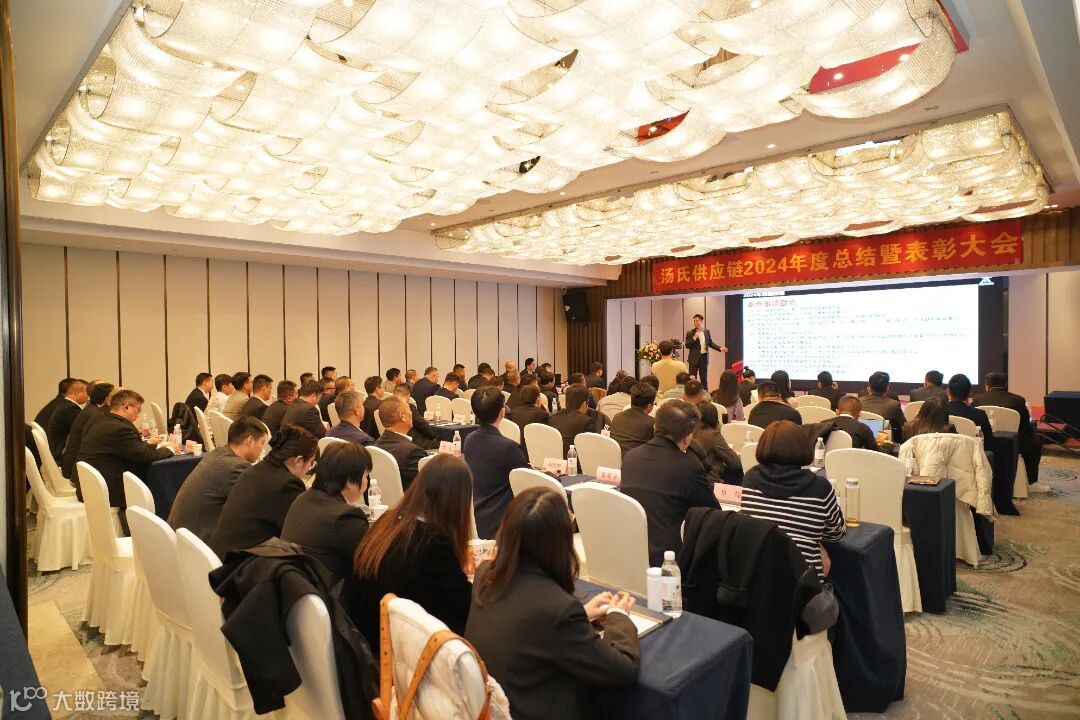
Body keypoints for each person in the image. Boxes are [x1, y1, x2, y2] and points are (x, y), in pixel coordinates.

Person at [466, 488, 640, 720]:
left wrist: (583, 614)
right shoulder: (557, 609)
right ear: (559, 541)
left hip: (491, 708)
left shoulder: (485, 575)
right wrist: (619, 616)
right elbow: (622, 670)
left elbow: (526, 627)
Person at [344, 454, 473, 658]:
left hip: (366, 639)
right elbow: (464, 606)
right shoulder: (433, 544)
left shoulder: (388, 522)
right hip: (398, 653)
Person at [740, 421, 846, 580]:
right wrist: (815, 542)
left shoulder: (750, 479)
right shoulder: (819, 487)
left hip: (757, 578)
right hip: (804, 584)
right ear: (803, 448)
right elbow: (835, 534)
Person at [621, 401, 717, 565]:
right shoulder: (689, 467)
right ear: (688, 438)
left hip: (632, 551)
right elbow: (713, 514)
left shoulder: (631, 457)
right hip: (670, 560)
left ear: (655, 427)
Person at [209, 424, 317, 558]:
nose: (310, 467)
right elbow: (301, 534)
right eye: (311, 463)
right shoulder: (287, 485)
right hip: (241, 563)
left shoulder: (255, 470)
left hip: (221, 554)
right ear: (299, 460)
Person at [76, 389, 176, 524]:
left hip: (93, 486)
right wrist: (170, 449)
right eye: (138, 410)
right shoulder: (120, 428)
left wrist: (156, 446)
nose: (138, 415)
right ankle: (159, 524)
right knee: (161, 486)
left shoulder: (105, 420)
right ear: (126, 407)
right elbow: (145, 456)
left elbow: (131, 449)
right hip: (110, 489)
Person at [281, 442, 371, 583]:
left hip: (295, 586)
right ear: (349, 481)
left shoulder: (303, 498)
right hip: (327, 592)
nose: (367, 481)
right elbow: (376, 558)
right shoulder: (345, 518)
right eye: (366, 475)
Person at [168, 417, 268, 543]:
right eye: (262, 443)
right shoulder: (237, 467)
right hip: (198, 544)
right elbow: (257, 508)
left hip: (179, 535)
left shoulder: (218, 453)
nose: (262, 449)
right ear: (250, 441)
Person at [463, 386, 530, 539]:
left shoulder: (469, 440)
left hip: (477, 516)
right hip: (502, 523)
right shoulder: (508, 447)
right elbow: (528, 483)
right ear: (502, 412)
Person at [974, 371, 1046, 491]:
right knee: (1035, 442)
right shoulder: (1018, 400)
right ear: (1005, 385)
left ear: (987, 386)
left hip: (986, 442)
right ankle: (1031, 481)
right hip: (1015, 445)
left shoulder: (977, 399)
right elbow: (1025, 423)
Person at [61, 382, 114, 480]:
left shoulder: (92, 409)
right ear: (107, 399)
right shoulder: (97, 414)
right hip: (77, 469)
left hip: (75, 463)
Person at [373, 397, 428, 490]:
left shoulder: (376, 445)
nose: (411, 413)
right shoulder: (413, 452)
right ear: (402, 416)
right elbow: (425, 487)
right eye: (409, 409)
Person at [690, 402, 740, 483]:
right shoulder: (712, 435)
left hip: (694, 476)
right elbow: (736, 463)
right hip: (711, 479)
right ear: (714, 417)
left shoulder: (688, 430)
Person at [945, 374, 993, 449]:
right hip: (972, 455)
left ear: (948, 391)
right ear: (969, 393)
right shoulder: (980, 415)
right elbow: (989, 443)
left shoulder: (938, 412)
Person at [547, 384, 595, 458]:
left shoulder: (552, 418)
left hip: (554, 461)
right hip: (576, 463)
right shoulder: (586, 421)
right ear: (585, 403)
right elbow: (591, 450)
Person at [609, 382, 656, 457]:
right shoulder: (652, 423)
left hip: (613, 460)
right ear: (650, 406)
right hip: (635, 462)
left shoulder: (617, 417)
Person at [46, 378, 88, 460]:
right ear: (78, 393)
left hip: (57, 450)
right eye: (87, 393)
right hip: (62, 456)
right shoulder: (70, 408)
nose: (89, 396)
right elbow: (84, 429)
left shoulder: (64, 404)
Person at [684, 313, 727, 390]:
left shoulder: (707, 331)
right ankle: (692, 394)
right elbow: (687, 345)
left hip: (704, 358)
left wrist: (720, 348)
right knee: (692, 379)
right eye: (694, 321)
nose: (695, 323)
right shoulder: (690, 332)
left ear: (701, 321)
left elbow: (710, 343)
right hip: (693, 359)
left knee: (704, 379)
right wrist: (694, 338)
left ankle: (705, 395)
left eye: (697, 321)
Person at [860, 371, 906, 442]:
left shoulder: (858, 402)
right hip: (882, 442)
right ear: (887, 388)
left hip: (860, 439)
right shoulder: (893, 405)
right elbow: (902, 425)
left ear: (869, 388)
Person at [392, 384, 437, 450]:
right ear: (408, 396)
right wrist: (432, 436)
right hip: (413, 442)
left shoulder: (388, 407)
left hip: (394, 440)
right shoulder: (409, 408)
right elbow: (422, 425)